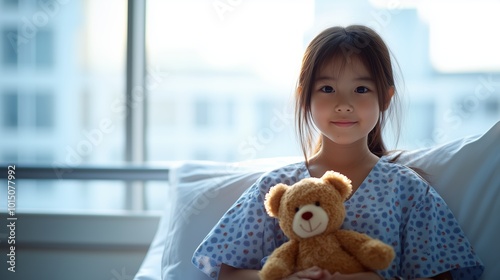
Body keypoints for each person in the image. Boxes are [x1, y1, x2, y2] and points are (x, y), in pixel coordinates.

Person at [191, 25, 484, 280]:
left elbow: (441, 276)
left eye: (361, 89)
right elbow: (228, 273)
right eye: (328, 88)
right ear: (304, 98)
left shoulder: (408, 191)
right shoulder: (274, 189)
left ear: (385, 98)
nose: (344, 104)